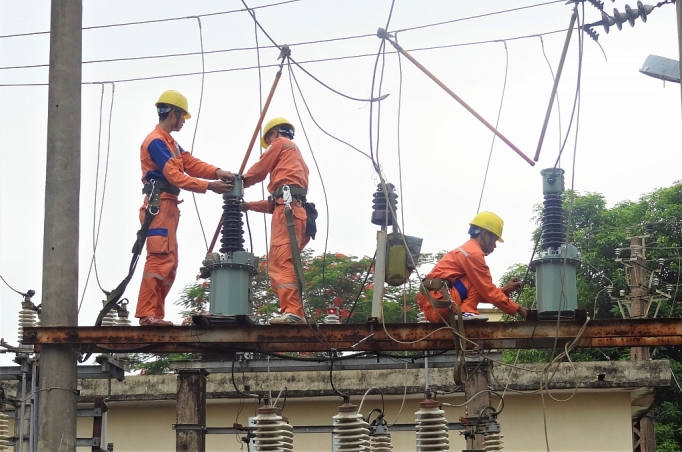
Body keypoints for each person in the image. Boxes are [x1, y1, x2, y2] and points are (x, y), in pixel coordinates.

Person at [136, 90, 234, 326]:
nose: (183, 123)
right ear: (175, 113)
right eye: (182, 118)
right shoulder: (157, 142)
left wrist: (216, 171)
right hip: (158, 207)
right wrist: (209, 186)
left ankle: (155, 315)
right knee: (159, 260)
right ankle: (148, 315)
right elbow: (176, 176)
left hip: (167, 207)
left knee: (169, 264)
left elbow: (190, 163)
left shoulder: (170, 143)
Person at [241, 117, 313, 325]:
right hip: (292, 210)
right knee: (278, 265)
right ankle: (292, 310)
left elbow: (260, 169)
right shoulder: (295, 159)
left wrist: (241, 181)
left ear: (273, 134)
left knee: (282, 263)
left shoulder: (280, 144)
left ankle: (293, 312)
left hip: (287, 213)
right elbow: (276, 202)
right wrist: (248, 206)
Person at [417, 211, 528, 322]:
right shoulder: (473, 254)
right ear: (484, 234)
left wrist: (505, 290)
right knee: (476, 280)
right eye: (494, 240)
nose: (494, 246)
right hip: (440, 304)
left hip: (435, 305)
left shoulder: (467, 250)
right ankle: (466, 311)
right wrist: (517, 308)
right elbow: (487, 290)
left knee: (477, 282)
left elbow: (480, 292)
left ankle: (466, 311)